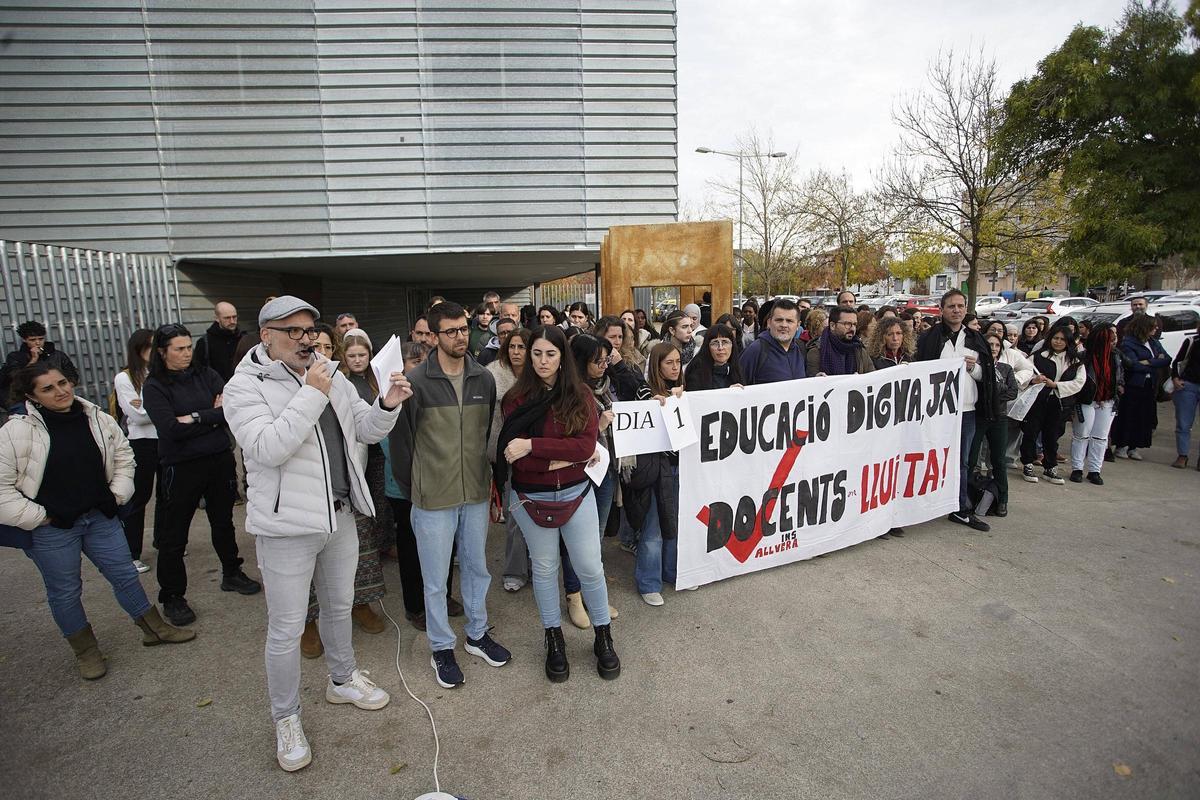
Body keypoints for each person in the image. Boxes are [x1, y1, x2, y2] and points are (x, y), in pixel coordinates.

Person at [222, 295, 412, 772]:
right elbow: (268, 448)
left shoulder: (330, 371)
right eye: (294, 331)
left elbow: (364, 430)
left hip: (340, 515)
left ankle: (343, 679)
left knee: (340, 607)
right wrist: (311, 392)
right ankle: (285, 718)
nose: (307, 340)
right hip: (287, 527)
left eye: (310, 330)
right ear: (266, 335)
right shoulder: (244, 386)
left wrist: (387, 404)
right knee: (286, 629)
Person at [0, 363, 194, 681]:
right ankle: (86, 651)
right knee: (65, 591)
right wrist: (39, 517)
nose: (61, 391)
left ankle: (154, 629)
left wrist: (117, 494)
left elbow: (123, 457)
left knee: (125, 575)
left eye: (63, 383)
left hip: (99, 517)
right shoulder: (16, 432)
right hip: (52, 529)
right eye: (47, 388)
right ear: (29, 396)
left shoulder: (97, 417)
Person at [388, 301, 511, 689]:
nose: (461, 337)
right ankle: (441, 646)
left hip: (474, 491)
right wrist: (415, 488)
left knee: (476, 568)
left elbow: (483, 434)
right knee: (436, 579)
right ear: (434, 336)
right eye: (452, 331)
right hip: (431, 497)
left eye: (464, 329)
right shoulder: (416, 383)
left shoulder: (483, 379)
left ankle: (476, 634)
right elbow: (401, 442)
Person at [496, 326, 618, 683]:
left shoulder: (578, 394)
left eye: (550, 354)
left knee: (590, 568)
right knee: (546, 569)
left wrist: (534, 446)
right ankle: (553, 639)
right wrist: (561, 457)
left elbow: (585, 447)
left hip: (576, 494)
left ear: (562, 356)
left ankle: (603, 636)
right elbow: (513, 459)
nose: (543, 361)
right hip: (531, 497)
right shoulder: (515, 400)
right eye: (537, 354)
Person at [142, 323, 260, 626]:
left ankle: (231, 572)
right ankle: (172, 596)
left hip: (218, 461)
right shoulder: (155, 386)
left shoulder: (206, 375)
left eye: (188, 347)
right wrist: (210, 417)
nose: (186, 354)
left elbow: (229, 410)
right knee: (174, 534)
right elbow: (169, 428)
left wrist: (195, 417)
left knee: (223, 522)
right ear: (162, 352)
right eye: (179, 349)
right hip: (180, 467)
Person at [299, 328, 393, 657]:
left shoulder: (342, 383)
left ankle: (359, 604)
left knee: (360, 552)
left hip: (348, 484)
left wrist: (387, 403)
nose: (322, 355)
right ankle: (307, 624)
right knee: (307, 565)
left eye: (328, 348)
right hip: (304, 496)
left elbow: (367, 428)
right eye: (316, 348)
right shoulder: (290, 387)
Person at [915, 289, 995, 532]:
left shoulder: (976, 339)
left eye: (961, 306)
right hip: (935, 411)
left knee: (961, 461)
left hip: (966, 410)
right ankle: (923, 503)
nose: (956, 310)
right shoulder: (929, 338)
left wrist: (973, 369)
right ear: (942, 309)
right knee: (929, 457)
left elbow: (987, 375)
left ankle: (959, 507)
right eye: (951, 306)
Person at [627, 343, 685, 606]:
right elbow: (639, 424)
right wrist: (652, 406)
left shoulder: (685, 390)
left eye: (677, 362)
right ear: (657, 365)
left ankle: (671, 572)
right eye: (668, 363)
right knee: (653, 528)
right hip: (656, 469)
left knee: (675, 524)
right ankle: (649, 582)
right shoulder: (645, 390)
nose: (675, 367)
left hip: (681, 467)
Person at [487, 328, 533, 591]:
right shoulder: (492, 375)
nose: (516, 352)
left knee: (537, 514)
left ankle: (537, 565)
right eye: (512, 347)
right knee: (514, 515)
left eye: (522, 347)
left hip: (535, 453)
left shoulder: (542, 374)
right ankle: (515, 571)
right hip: (504, 455)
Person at [113, 329, 158, 574]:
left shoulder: (159, 373)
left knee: (168, 494)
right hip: (141, 442)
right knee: (139, 497)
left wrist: (153, 406)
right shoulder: (125, 377)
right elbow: (137, 417)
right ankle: (132, 552)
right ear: (138, 349)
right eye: (150, 346)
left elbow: (180, 404)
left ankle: (163, 539)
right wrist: (162, 408)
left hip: (166, 439)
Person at [1020, 324, 1086, 485]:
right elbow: (1024, 374)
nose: (1058, 342)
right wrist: (1034, 380)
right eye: (1055, 338)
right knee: (1031, 432)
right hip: (1038, 401)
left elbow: (1079, 382)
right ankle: (1027, 463)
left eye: (1062, 339)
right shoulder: (1038, 356)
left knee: (1053, 435)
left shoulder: (1075, 361)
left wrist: (1056, 385)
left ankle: (1050, 466)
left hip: (1060, 403)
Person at [969, 335, 1019, 515]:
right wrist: (994, 390)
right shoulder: (976, 367)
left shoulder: (1006, 369)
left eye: (997, 345)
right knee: (971, 458)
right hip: (979, 416)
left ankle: (1002, 499)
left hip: (1000, 417)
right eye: (990, 344)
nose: (994, 347)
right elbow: (977, 391)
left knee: (998, 460)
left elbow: (1013, 392)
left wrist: (993, 391)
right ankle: (968, 496)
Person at [1111, 313, 1171, 461]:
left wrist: (1149, 362)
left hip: (1150, 385)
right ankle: (1122, 445)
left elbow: (1167, 359)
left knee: (1143, 417)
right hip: (1133, 385)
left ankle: (1134, 446)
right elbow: (1133, 365)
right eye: (1153, 326)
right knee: (1129, 415)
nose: (1156, 328)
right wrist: (1155, 361)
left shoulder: (1154, 342)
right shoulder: (1128, 343)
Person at [1070, 323, 1123, 484]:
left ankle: (1094, 470)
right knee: (1081, 434)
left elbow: (1120, 377)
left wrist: (1118, 390)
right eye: (1110, 340)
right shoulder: (1083, 357)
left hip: (1107, 400)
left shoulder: (1115, 357)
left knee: (1100, 437)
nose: (1113, 343)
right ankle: (1077, 468)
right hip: (1086, 400)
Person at [1, 321, 79, 406]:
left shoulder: (57, 355)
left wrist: (61, 389)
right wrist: (34, 359)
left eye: (41, 339)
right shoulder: (15, 357)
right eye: (32, 340)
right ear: (25, 340)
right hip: (25, 402)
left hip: (56, 400)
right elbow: (17, 379)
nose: (37, 342)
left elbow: (73, 376)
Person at [739, 298, 806, 385]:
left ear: (798, 325)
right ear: (769, 323)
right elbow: (738, 385)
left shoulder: (799, 349)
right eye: (779, 320)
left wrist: (819, 382)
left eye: (789, 321)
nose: (784, 325)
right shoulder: (755, 350)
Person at [807, 306, 875, 376]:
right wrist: (817, 379)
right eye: (847, 324)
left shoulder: (859, 350)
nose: (852, 329)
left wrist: (860, 380)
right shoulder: (817, 351)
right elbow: (810, 381)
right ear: (832, 326)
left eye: (854, 324)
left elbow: (873, 377)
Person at [1170, 320, 1200, 469]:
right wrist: (1175, 378)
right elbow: (1177, 362)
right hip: (1188, 385)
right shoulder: (1192, 341)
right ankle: (1182, 455)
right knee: (1183, 423)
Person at [192, 302, 243, 382]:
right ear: (217, 318)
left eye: (234, 317)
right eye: (227, 318)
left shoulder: (243, 338)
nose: (232, 321)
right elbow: (198, 371)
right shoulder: (205, 342)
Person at [685, 324, 744, 391]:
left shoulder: (737, 370)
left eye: (725, 342)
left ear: (732, 345)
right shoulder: (696, 373)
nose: (720, 348)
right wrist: (727, 393)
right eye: (715, 343)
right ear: (708, 347)